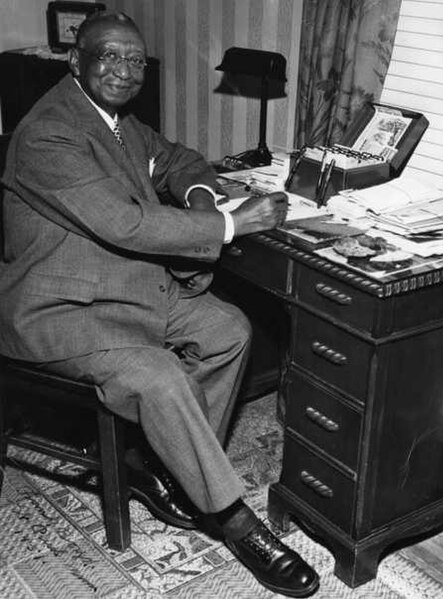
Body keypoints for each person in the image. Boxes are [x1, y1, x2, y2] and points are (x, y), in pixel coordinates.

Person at [0, 10, 319, 598]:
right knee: (162, 375)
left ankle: (171, 468)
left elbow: (176, 159)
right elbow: (124, 223)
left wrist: (200, 195)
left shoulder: (118, 121)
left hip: (125, 286)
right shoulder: (50, 132)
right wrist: (228, 222)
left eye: (134, 61)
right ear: (77, 61)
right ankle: (230, 517)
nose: (124, 71)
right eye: (108, 57)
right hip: (63, 306)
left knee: (229, 328)